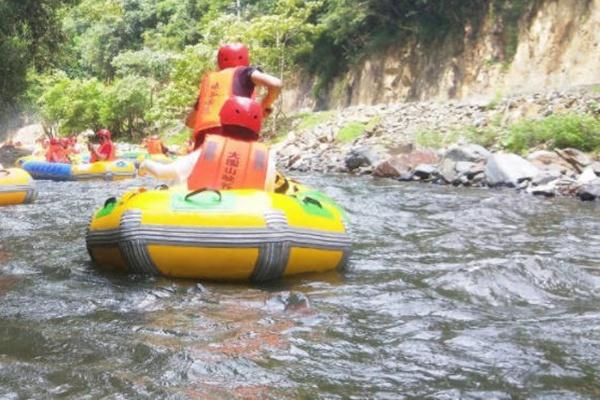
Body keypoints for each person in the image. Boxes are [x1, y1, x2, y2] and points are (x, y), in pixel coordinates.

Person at [140, 96, 276, 191]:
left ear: (223, 121)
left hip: (204, 219)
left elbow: (163, 172)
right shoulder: (266, 160)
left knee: (174, 185)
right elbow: (266, 196)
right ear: (257, 126)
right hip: (250, 223)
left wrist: (144, 164)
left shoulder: (210, 151)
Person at [185, 43, 282, 149]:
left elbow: (190, 122)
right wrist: (263, 107)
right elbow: (276, 84)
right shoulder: (244, 72)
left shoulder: (209, 81)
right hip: (232, 133)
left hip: (203, 139)